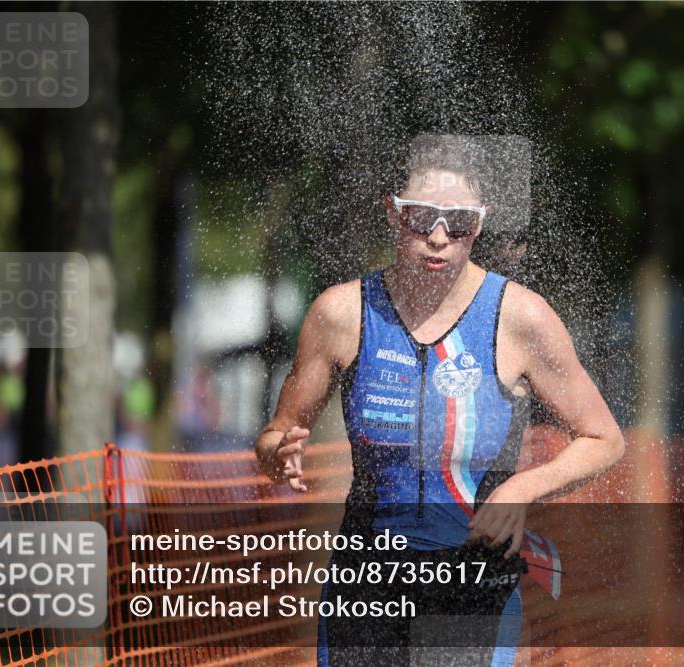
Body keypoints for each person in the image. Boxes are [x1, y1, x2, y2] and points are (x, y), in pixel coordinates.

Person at [254, 135, 625, 666]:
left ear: (482, 220)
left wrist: (523, 487)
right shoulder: (341, 314)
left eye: (459, 222)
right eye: (419, 217)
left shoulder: (520, 318)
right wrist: (276, 452)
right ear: (392, 212)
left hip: (473, 585)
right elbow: (275, 436)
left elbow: (603, 439)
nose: (437, 237)